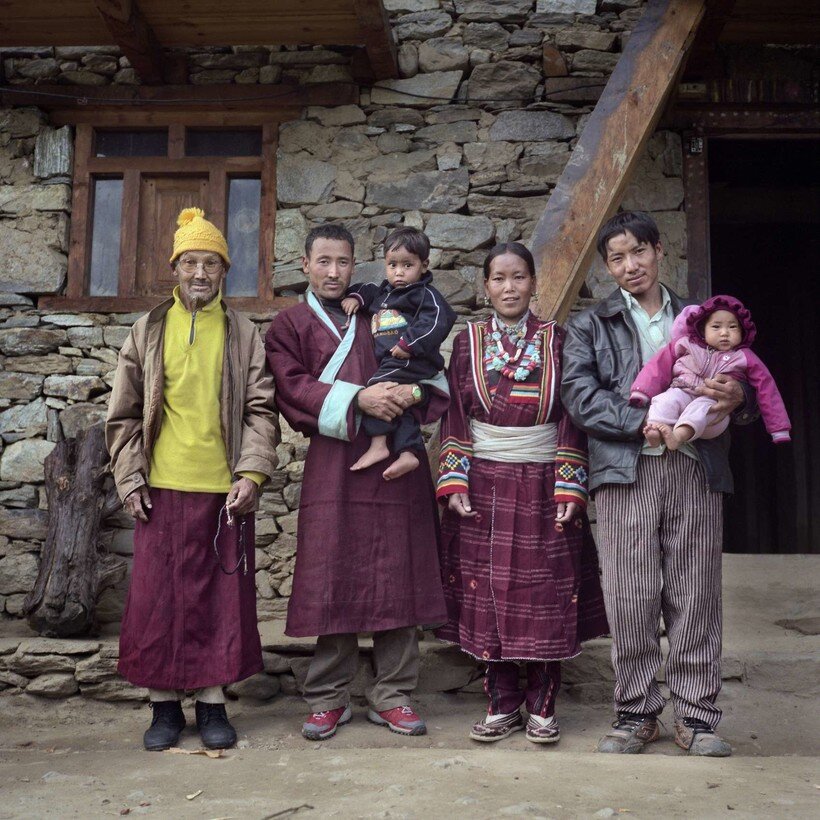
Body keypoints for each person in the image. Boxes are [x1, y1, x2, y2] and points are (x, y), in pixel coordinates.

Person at [562, 211, 757, 757]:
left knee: (696, 591)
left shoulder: (704, 318)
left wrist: (736, 401)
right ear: (607, 267)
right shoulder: (591, 325)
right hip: (626, 468)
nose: (630, 266)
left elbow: (745, 384)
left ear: (658, 250)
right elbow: (579, 395)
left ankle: (696, 718)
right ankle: (635, 713)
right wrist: (637, 423)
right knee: (631, 592)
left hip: (696, 465)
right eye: (617, 258)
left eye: (638, 252)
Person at [264, 223, 450, 741]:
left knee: (400, 572)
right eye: (323, 261)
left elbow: (431, 369)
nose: (333, 272)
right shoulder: (289, 325)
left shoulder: (385, 311)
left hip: (395, 461)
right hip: (335, 463)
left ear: (355, 266)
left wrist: (404, 398)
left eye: (342, 262)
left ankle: (393, 694)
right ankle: (328, 697)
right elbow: (291, 389)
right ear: (305, 265)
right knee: (333, 573)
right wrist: (358, 400)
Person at [106, 207, 279, 752]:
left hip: (223, 492)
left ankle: (211, 704)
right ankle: (162, 707)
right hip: (160, 489)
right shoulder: (149, 330)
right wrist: (131, 480)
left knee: (218, 601)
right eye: (190, 262)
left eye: (211, 263)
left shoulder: (243, 332)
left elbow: (261, 409)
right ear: (174, 268)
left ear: (225, 272)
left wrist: (251, 471)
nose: (200, 273)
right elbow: (123, 414)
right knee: (157, 598)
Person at [436, 242, 608, 744]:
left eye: (518, 278)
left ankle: (543, 705)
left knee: (547, 590)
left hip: (544, 481)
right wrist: (454, 479)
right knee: (487, 592)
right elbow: (453, 414)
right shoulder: (468, 341)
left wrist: (570, 486)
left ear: (534, 283)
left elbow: (573, 413)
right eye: (498, 279)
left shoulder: (559, 339)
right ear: (485, 286)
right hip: (483, 483)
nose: (508, 288)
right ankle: (501, 703)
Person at [341, 227, 456, 480]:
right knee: (398, 405)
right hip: (396, 362)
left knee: (377, 388)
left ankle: (379, 444)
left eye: (407, 265)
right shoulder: (383, 293)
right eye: (392, 265)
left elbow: (439, 321)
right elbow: (366, 289)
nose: (399, 272)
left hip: (414, 360)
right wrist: (356, 298)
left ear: (424, 265)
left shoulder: (425, 295)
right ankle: (408, 452)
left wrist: (409, 345)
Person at [630, 294, 790, 448]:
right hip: (682, 390)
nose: (724, 333)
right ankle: (655, 431)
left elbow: (767, 388)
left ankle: (677, 437)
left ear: (742, 331)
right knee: (665, 400)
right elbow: (659, 365)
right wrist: (642, 392)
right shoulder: (685, 344)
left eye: (732, 327)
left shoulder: (744, 357)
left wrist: (779, 429)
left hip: (713, 410)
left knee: (699, 408)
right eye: (716, 326)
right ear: (702, 329)